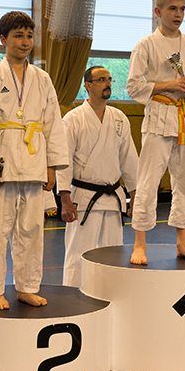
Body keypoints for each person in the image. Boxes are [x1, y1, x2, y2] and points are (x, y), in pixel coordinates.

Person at [0, 11, 69, 310]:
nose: (25, 42)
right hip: (1, 161)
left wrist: (52, 166)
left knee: (32, 231)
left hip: (34, 160)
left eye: (29, 36)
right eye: (18, 36)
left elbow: (53, 124)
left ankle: (27, 286)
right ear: (3, 39)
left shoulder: (42, 78)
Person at [126, 0, 185, 265]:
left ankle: (182, 242)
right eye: (172, 8)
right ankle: (139, 244)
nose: (178, 14)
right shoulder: (146, 45)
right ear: (158, 11)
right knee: (148, 182)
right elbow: (133, 87)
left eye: (182, 9)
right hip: (159, 118)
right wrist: (168, 85)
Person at [58, 66, 139, 287]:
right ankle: (72, 295)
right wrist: (64, 198)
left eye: (110, 79)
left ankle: (110, 295)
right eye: (102, 79)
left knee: (113, 255)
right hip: (83, 198)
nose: (108, 83)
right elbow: (64, 160)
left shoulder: (119, 118)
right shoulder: (73, 119)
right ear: (88, 85)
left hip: (113, 198)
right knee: (78, 254)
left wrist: (135, 194)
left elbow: (129, 158)